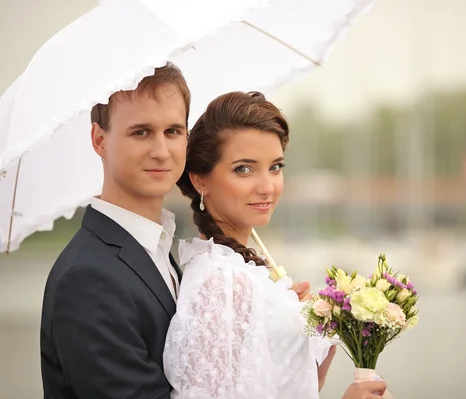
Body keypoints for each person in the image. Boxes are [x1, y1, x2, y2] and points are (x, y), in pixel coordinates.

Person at [163, 91, 336, 399]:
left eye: (276, 167)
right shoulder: (222, 282)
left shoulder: (241, 271)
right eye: (244, 168)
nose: (267, 186)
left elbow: (292, 384)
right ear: (200, 179)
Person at [40, 62, 191, 398]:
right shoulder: (87, 277)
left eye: (173, 131)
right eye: (141, 132)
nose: (161, 151)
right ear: (99, 139)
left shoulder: (158, 250)